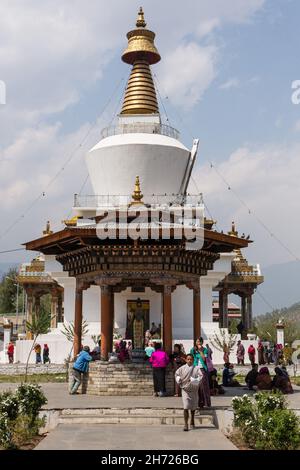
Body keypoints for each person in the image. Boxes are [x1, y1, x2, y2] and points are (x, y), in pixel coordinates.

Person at [175, 354, 203, 431]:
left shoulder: (197, 368)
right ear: (186, 360)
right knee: (186, 406)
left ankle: (192, 421)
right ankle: (185, 424)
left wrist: (194, 380)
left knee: (193, 407)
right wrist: (179, 379)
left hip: (194, 390)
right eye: (188, 359)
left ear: (193, 360)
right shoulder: (182, 368)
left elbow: (200, 376)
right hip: (185, 389)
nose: (189, 361)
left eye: (191, 359)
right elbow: (177, 374)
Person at [190, 337, 211, 408]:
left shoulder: (205, 350)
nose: (197, 343)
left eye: (199, 341)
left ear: (202, 342)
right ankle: (197, 403)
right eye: (196, 341)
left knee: (203, 386)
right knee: (196, 386)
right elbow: (191, 357)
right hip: (195, 369)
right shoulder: (193, 350)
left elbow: (204, 358)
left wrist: (200, 350)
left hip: (202, 369)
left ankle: (205, 403)